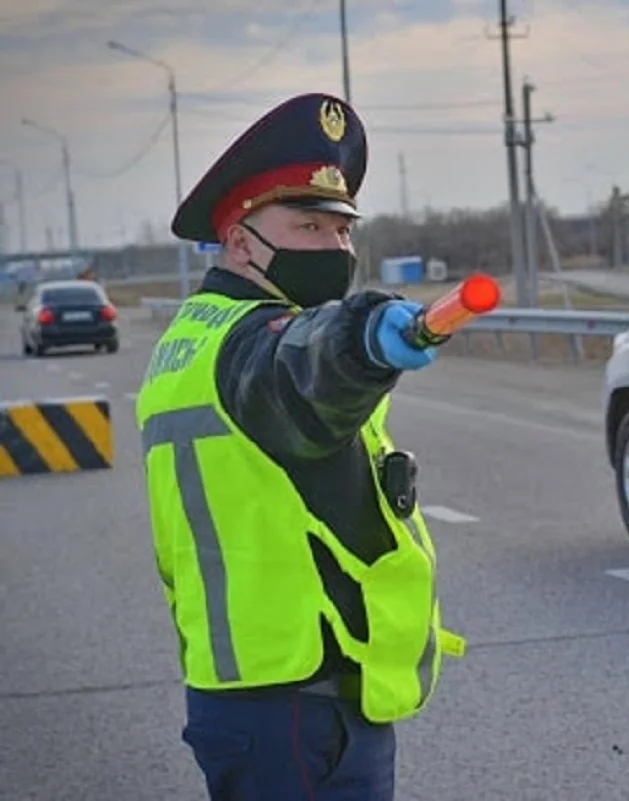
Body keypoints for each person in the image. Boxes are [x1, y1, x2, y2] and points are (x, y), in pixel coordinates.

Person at [134, 93, 465, 801]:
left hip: (271, 692)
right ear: (241, 242)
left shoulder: (191, 340)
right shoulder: (246, 345)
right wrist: (366, 335)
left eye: (342, 230)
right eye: (308, 226)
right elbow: (303, 368)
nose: (335, 247)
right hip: (294, 704)